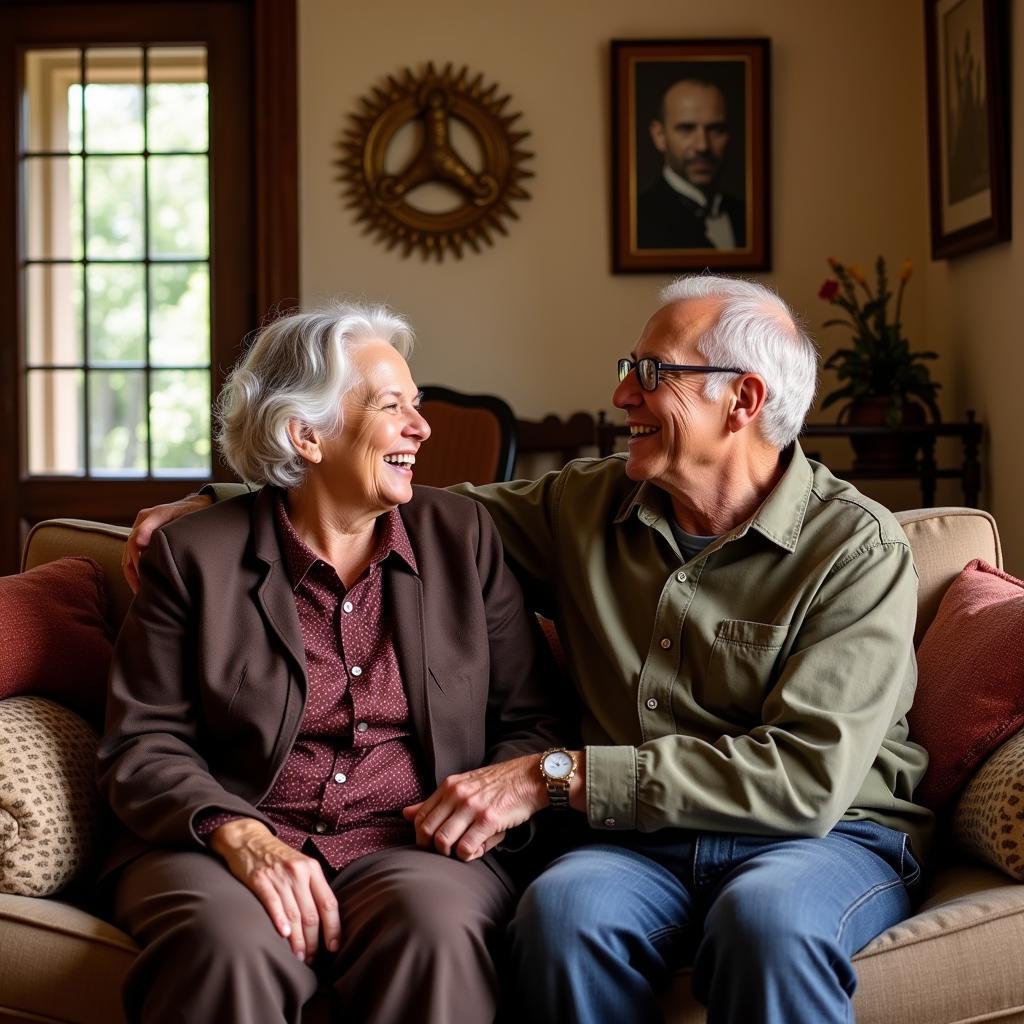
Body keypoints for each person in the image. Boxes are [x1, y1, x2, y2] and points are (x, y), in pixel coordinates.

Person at [124, 276, 933, 1024]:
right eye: (629, 368)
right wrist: (216, 506)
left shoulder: (855, 549)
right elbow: (375, 504)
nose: (622, 394)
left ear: (742, 400)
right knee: (561, 915)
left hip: (817, 836)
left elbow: (809, 780)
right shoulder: (586, 503)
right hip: (642, 844)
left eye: (652, 373)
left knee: (768, 924)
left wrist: (561, 775)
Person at [97, 302, 566, 1024]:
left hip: (411, 842)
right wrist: (238, 834)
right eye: (392, 406)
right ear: (304, 435)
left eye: (418, 404)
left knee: (434, 932)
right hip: (229, 838)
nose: (422, 427)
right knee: (228, 947)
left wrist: (491, 801)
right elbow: (142, 743)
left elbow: (531, 717)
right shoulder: (195, 558)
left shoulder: (462, 537)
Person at [636, 77, 747, 250]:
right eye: (686, 129)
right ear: (659, 135)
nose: (703, 145)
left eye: (716, 129)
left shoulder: (749, 216)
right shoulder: (636, 220)